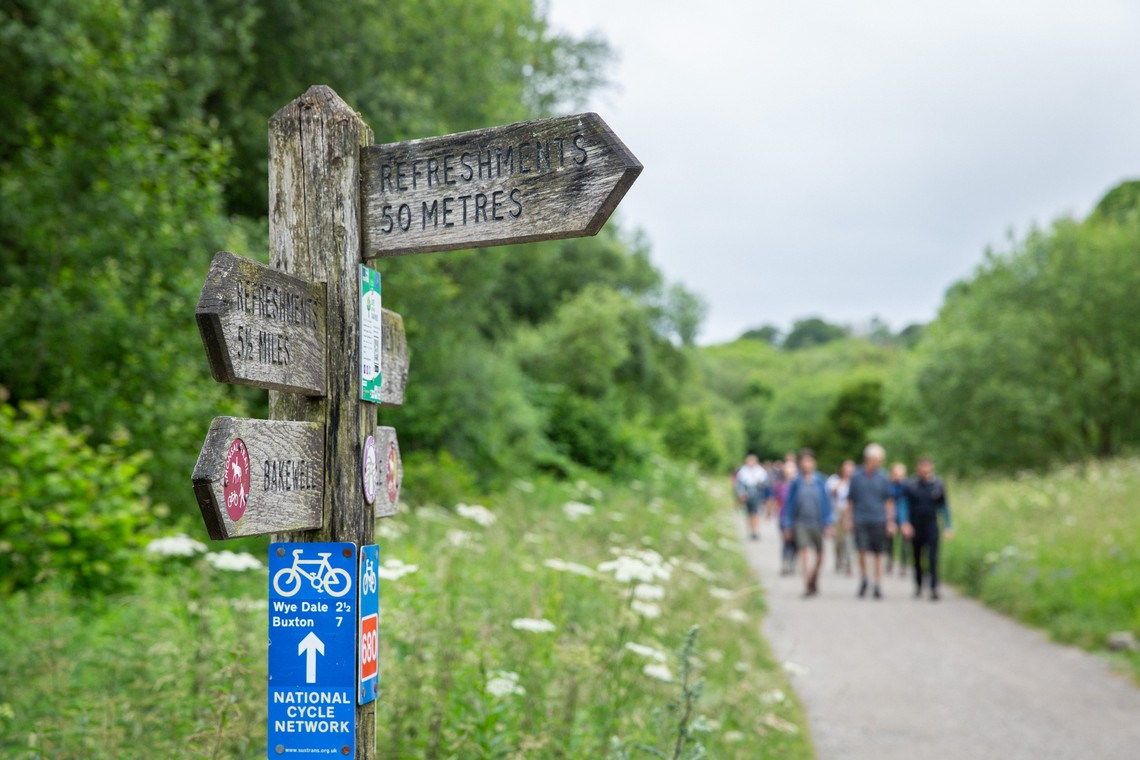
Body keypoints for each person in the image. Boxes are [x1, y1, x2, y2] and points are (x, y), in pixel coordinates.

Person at [846, 443, 895, 599]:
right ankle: (864, 578)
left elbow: (888, 501)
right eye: (878, 459)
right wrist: (848, 519)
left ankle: (877, 583)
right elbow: (851, 500)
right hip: (861, 518)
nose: (880, 462)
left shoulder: (883, 477)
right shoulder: (856, 477)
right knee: (861, 550)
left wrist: (890, 521)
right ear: (869, 458)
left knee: (878, 553)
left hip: (878, 519)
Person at [899, 457, 953, 600]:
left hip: (931, 524)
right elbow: (903, 505)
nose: (925, 469)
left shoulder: (938, 485)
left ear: (931, 467)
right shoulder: (911, 485)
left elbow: (944, 506)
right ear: (917, 468)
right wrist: (904, 523)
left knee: (933, 557)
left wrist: (948, 526)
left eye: (927, 466)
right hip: (915, 525)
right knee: (916, 557)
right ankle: (918, 585)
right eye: (922, 466)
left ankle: (934, 587)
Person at [782, 449, 833, 597]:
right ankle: (807, 582)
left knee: (820, 555)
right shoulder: (796, 483)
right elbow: (789, 505)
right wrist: (788, 525)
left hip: (817, 522)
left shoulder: (821, 481)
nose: (807, 464)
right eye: (804, 461)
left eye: (809, 461)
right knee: (803, 552)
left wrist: (828, 523)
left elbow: (826, 503)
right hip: (800, 522)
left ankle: (813, 576)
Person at [826, 459, 855, 575]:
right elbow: (830, 495)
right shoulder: (835, 480)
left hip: (850, 513)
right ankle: (838, 559)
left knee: (848, 539)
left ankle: (848, 562)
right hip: (837, 512)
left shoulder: (856, 482)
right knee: (838, 540)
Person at [734, 454, 770, 541]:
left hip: (757, 495)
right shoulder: (743, 471)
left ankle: (755, 531)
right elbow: (739, 485)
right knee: (749, 514)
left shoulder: (760, 471)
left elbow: (765, 484)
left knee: (755, 513)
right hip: (746, 496)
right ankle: (751, 530)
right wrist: (741, 494)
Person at [886, 462, 911, 576]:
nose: (899, 477)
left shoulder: (907, 486)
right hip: (891, 515)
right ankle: (889, 562)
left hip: (903, 516)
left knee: (905, 542)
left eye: (901, 474)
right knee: (889, 540)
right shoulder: (888, 486)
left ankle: (903, 565)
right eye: (897, 474)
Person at [775, 459, 798, 574]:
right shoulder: (781, 486)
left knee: (795, 543)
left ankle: (792, 563)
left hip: (797, 518)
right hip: (783, 517)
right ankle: (785, 563)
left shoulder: (799, 486)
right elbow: (777, 501)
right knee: (786, 541)